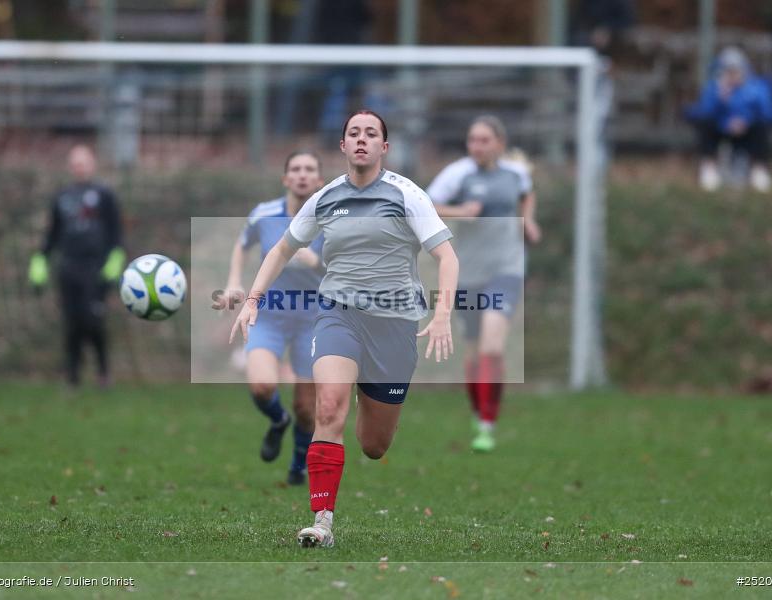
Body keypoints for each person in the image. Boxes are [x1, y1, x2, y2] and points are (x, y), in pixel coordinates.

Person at [230, 110, 458, 548]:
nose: (362, 139)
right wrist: (253, 299)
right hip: (339, 314)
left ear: (384, 148)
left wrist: (442, 313)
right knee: (329, 409)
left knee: (374, 444)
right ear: (342, 145)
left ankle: (367, 407)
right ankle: (322, 522)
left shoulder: (407, 195)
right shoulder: (326, 197)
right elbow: (281, 249)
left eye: (371, 134)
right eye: (353, 132)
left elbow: (447, 257)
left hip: (394, 324)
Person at [426, 115, 541, 453]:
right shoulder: (457, 174)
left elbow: (527, 194)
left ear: (500, 144)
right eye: (472, 140)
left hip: (507, 269)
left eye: (483, 140)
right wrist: (460, 211)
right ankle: (480, 413)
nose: (476, 146)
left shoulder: (515, 173)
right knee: (474, 350)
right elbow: (425, 206)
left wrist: (529, 222)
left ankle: (488, 423)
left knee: (493, 344)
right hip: (467, 274)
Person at [219, 152, 325, 485]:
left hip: (315, 319)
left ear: (320, 180)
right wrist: (234, 282)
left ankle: (297, 465)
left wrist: (315, 263)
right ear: (285, 179)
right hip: (270, 315)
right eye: (295, 169)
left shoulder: (334, 218)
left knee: (308, 409)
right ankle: (279, 421)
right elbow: (242, 244)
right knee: (263, 386)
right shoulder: (264, 214)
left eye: (310, 170)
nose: (302, 175)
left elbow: (346, 270)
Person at [28, 145, 125, 387]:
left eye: (83, 162)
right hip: (68, 267)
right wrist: (40, 261)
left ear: (92, 164)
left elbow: (116, 233)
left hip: (95, 268)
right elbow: (52, 234)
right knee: (72, 323)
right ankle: (72, 376)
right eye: (75, 163)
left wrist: (114, 262)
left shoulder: (104, 194)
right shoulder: (62, 196)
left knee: (92, 320)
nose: (79, 167)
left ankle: (103, 372)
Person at [686, 47, 772, 193]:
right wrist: (720, 100)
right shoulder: (714, 88)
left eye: (735, 70)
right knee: (706, 125)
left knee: (762, 128)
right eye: (728, 70)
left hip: (748, 130)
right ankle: (709, 168)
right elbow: (702, 112)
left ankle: (759, 170)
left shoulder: (757, 87)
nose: (732, 74)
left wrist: (746, 121)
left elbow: (769, 113)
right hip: (722, 131)